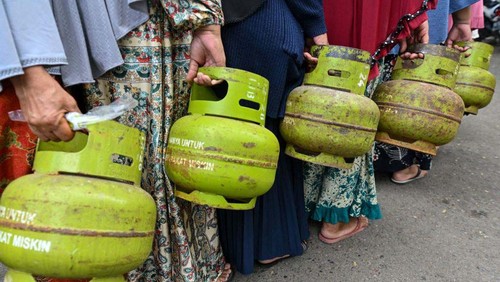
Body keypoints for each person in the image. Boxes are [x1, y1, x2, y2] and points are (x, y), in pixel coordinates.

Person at [1, 1, 232, 281]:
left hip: (163, 20)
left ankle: (167, 268)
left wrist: (206, 22)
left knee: (165, 155)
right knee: (125, 160)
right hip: (117, 26)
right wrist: (30, 75)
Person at [303, 0, 438, 245]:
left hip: (314, 15)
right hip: (364, 22)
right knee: (354, 120)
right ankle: (335, 219)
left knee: (313, 108)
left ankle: (306, 205)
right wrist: (415, 16)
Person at [215, 0, 327, 275]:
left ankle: (242, 244)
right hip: (266, 29)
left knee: (239, 138)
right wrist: (319, 33)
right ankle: (271, 243)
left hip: (227, 30)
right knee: (266, 141)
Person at [374, 0, 479, 185]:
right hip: (425, 21)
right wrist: (462, 20)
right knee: (417, 88)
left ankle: (363, 161)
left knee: (378, 80)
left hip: (379, 19)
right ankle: (403, 166)